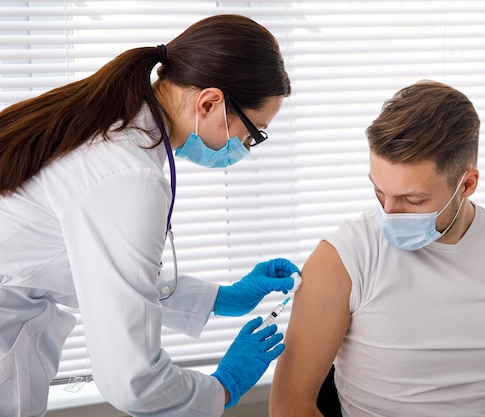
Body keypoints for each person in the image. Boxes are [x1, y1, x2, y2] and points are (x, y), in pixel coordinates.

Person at [0, 14, 300, 417]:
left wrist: (218, 300)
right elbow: (132, 380)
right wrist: (222, 387)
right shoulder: (126, 175)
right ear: (209, 102)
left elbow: (76, 266)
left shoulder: (106, 129)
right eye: (252, 133)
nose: (245, 147)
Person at [269, 80, 485, 417]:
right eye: (379, 192)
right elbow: (290, 405)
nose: (389, 212)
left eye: (412, 199)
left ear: (466, 184)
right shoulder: (342, 258)